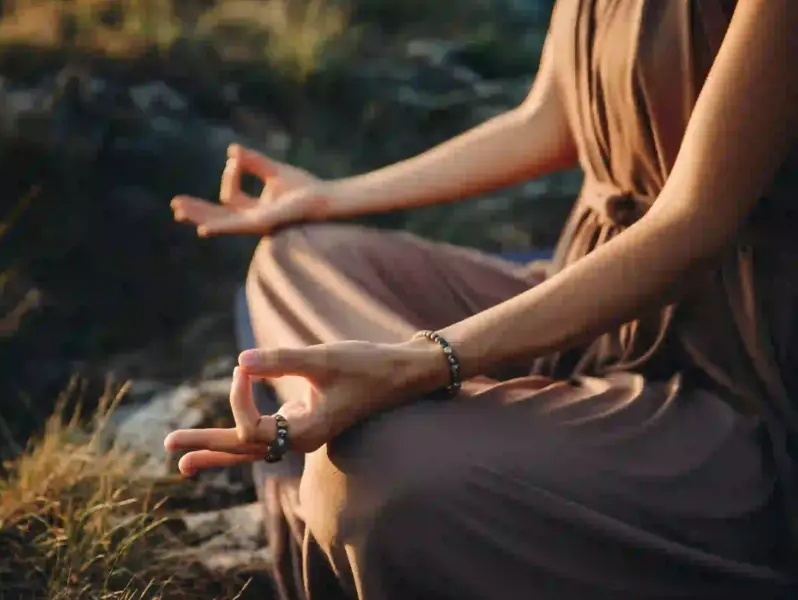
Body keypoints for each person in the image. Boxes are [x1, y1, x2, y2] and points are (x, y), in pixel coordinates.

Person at [165, 0, 798, 598]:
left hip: (726, 359)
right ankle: (405, 412)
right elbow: (548, 119)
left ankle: (399, 421)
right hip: (576, 287)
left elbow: (693, 223)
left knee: (368, 480)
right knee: (297, 257)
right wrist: (331, 197)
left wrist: (426, 360)